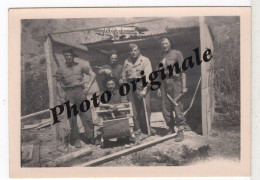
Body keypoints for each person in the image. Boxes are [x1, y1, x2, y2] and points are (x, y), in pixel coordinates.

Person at [55, 48, 96, 148]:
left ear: (73, 56)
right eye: (66, 56)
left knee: (87, 116)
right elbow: (58, 84)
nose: (68, 57)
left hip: (81, 93)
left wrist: (87, 87)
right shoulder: (61, 69)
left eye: (70, 55)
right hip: (69, 94)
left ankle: (90, 136)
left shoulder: (81, 66)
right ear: (64, 57)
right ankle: (76, 138)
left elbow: (93, 74)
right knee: (72, 118)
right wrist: (61, 98)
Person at [157, 36, 187, 142]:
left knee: (177, 105)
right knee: (165, 107)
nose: (164, 45)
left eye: (166, 43)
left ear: (170, 43)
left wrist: (184, 86)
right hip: (164, 84)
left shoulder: (177, 54)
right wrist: (159, 88)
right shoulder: (160, 56)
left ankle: (180, 130)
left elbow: (183, 71)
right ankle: (170, 128)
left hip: (176, 82)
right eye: (162, 44)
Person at [121, 43, 155, 135]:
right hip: (130, 85)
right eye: (131, 50)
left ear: (139, 50)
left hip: (142, 84)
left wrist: (145, 89)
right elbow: (124, 75)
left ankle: (147, 127)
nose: (133, 52)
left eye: (135, 50)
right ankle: (137, 128)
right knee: (134, 108)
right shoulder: (127, 61)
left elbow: (148, 75)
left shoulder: (145, 60)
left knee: (146, 106)